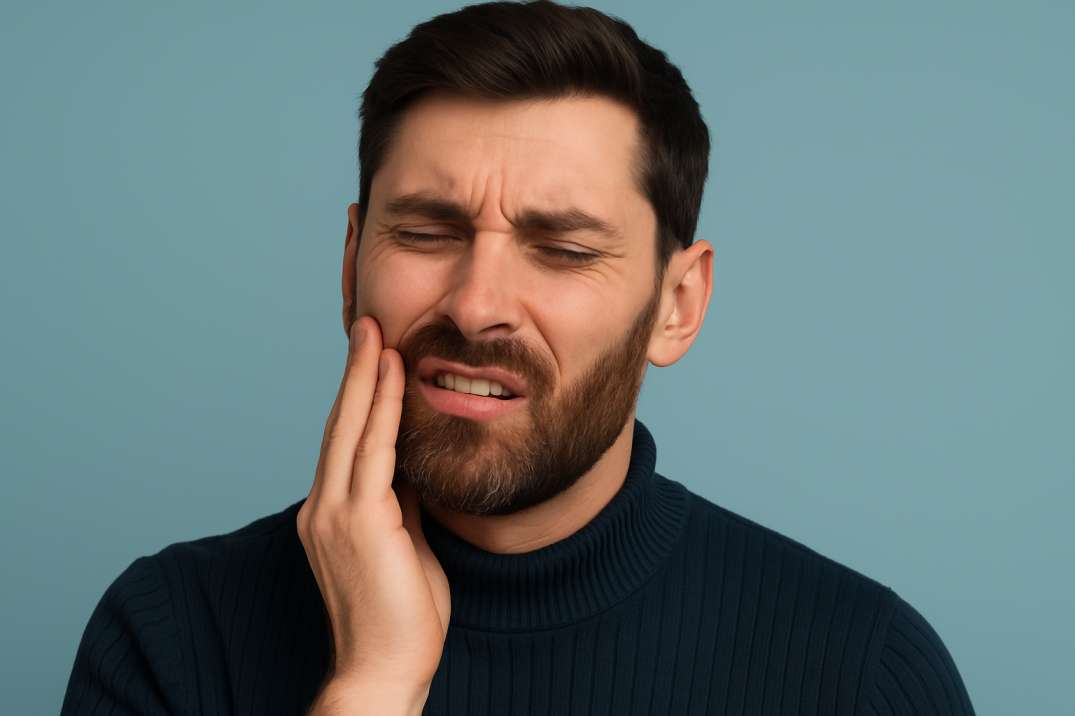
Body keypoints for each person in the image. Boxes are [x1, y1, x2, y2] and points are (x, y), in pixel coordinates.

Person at [61, 1, 976, 714]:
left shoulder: (863, 674)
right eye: (425, 232)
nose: (476, 304)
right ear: (351, 267)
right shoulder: (169, 636)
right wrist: (372, 687)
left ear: (676, 305)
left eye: (565, 250)